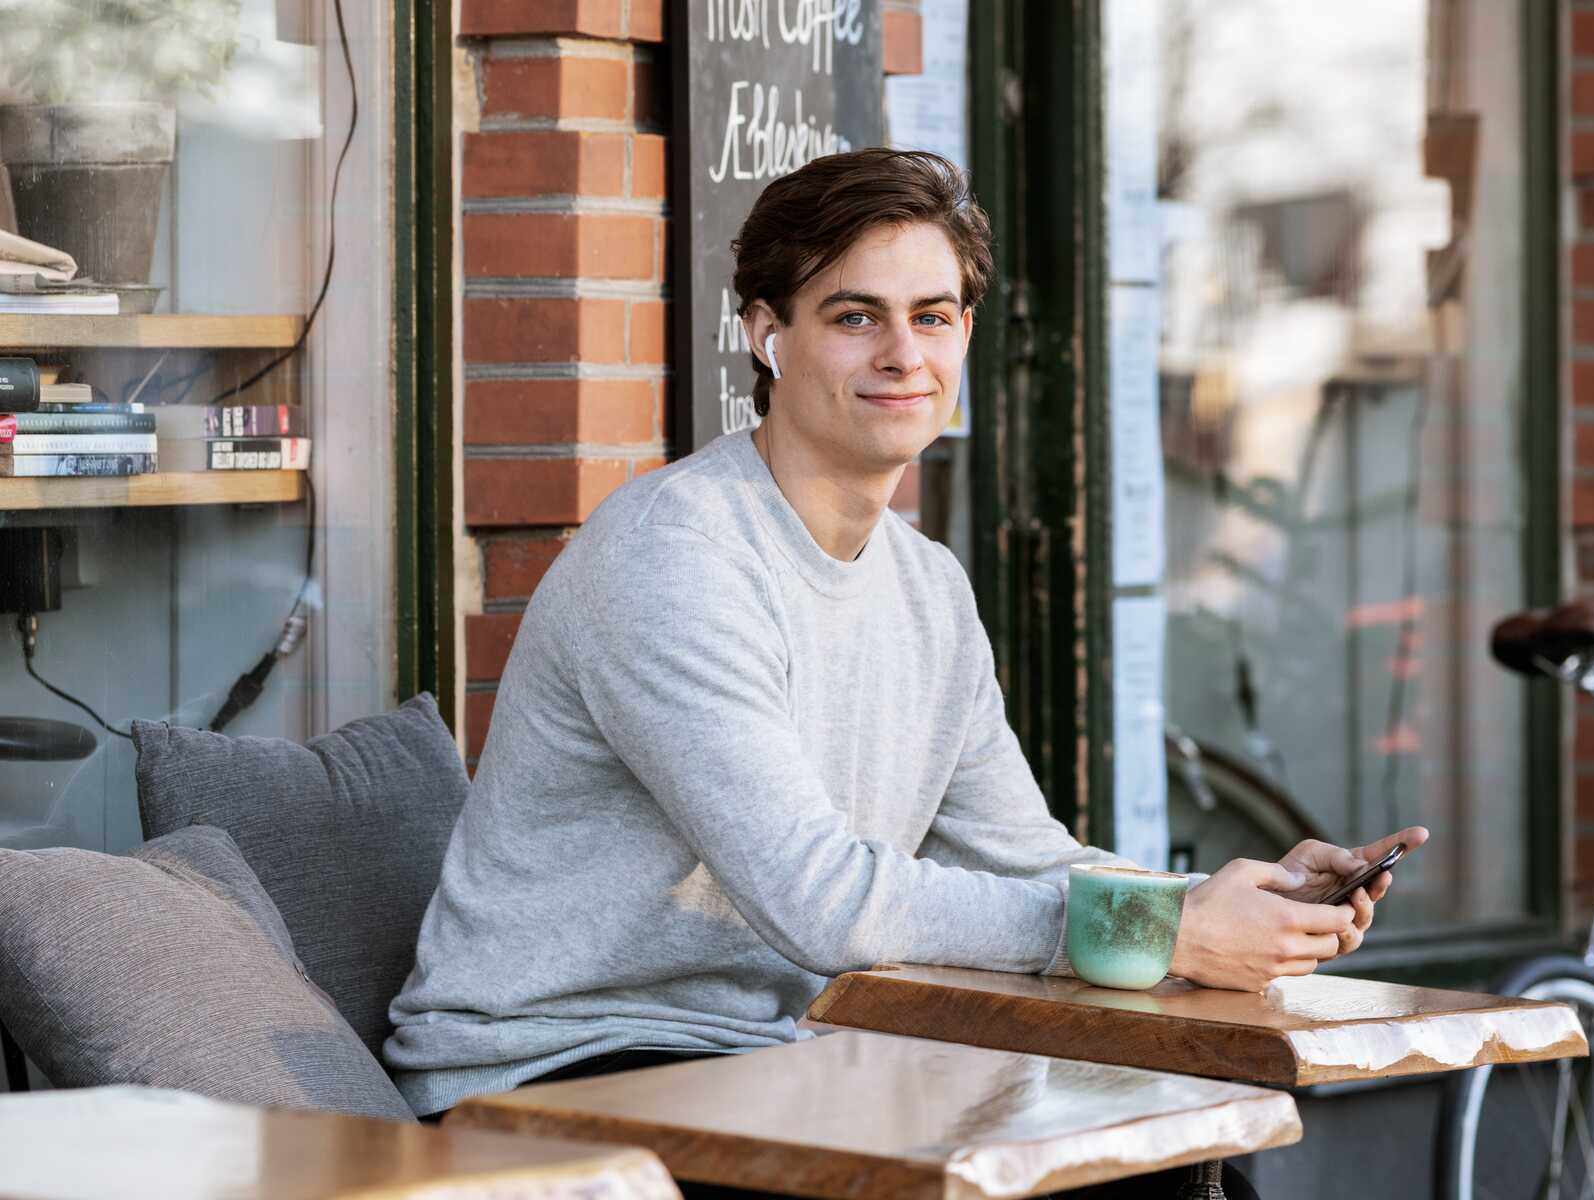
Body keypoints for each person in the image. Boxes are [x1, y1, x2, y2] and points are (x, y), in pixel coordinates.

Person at [386, 149, 1426, 1145]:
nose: (902, 354)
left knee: (1173, 1160)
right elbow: (821, 899)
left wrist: (1211, 905)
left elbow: (1028, 857)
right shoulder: (674, 557)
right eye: (855, 316)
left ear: (963, 334)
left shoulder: (927, 587)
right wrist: (1158, 937)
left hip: (776, 1060)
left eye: (931, 316)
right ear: (767, 334)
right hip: (549, 1073)